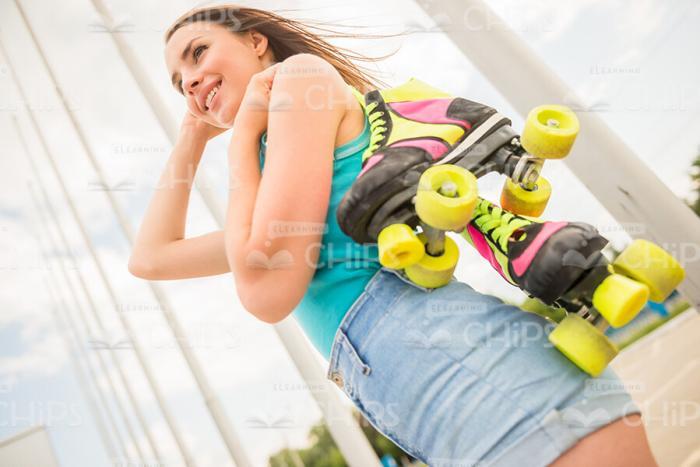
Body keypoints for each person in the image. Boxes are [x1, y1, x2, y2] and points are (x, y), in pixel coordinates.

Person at [128, 4, 658, 466]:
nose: (189, 82)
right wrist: (191, 138)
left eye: (197, 54)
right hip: (440, 384)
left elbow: (265, 291)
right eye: (179, 83)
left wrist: (240, 137)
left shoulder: (301, 80)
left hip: (475, 373)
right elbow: (151, 259)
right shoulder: (282, 188)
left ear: (255, 40)